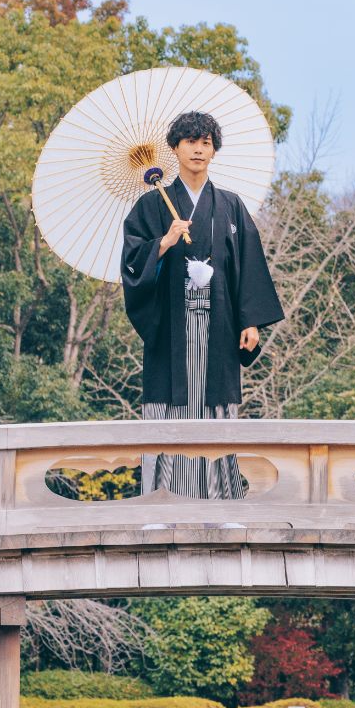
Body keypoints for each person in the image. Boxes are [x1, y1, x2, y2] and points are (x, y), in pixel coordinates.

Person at [121, 110, 284, 499]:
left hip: (220, 324)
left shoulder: (229, 205)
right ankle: (163, 501)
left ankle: (219, 503)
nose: (198, 149)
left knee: (216, 412)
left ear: (214, 150)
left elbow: (247, 264)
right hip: (171, 328)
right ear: (174, 149)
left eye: (206, 142)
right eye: (190, 141)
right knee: (170, 411)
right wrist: (163, 243)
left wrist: (250, 321)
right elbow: (131, 263)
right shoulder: (151, 206)